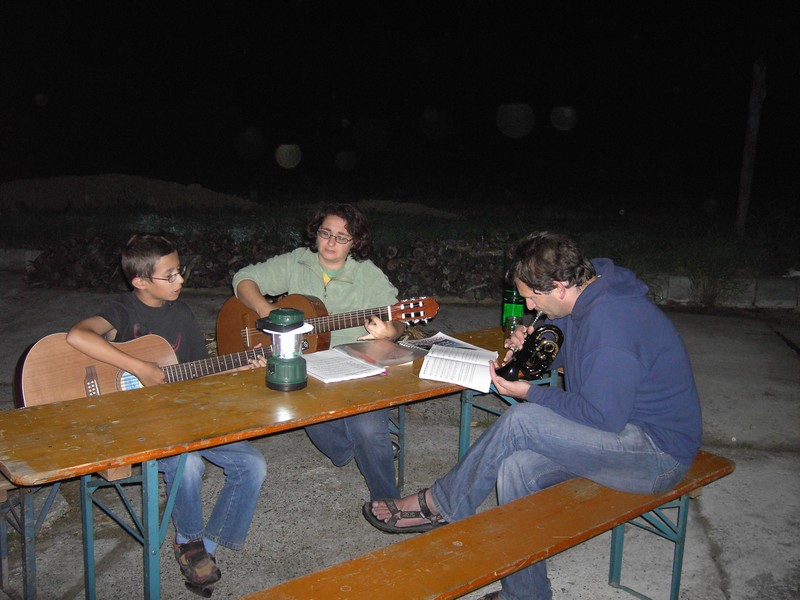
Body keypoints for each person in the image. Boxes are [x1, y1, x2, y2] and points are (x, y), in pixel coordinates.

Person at [363, 231, 703, 600]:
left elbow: (603, 416)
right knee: (516, 468)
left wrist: (530, 393)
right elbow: (572, 350)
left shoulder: (611, 326)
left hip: (656, 454)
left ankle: (440, 504)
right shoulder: (591, 295)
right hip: (620, 432)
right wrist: (531, 349)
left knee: (522, 420)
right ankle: (525, 594)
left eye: (531, 297)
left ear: (559, 286)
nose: (527, 306)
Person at [66, 234, 267, 595]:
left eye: (179, 271)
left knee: (253, 464)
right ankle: (189, 541)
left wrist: (238, 369)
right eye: (170, 275)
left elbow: (198, 372)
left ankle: (203, 548)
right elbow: (78, 336)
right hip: (132, 423)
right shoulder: (121, 310)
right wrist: (139, 367)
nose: (181, 280)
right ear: (140, 281)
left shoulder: (182, 314)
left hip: (179, 415)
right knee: (187, 463)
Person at [232, 203, 406, 501]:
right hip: (306, 362)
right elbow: (243, 279)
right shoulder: (298, 262)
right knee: (303, 404)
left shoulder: (368, 275)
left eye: (342, 237)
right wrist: (267, 311)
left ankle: (388, 500)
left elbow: (398, 316)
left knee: (367, 427)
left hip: (356, 361)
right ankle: (355, 450)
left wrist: (391, 332)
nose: (331, 242)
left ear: (355, 241)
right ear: (315, 233)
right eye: (326, 233)